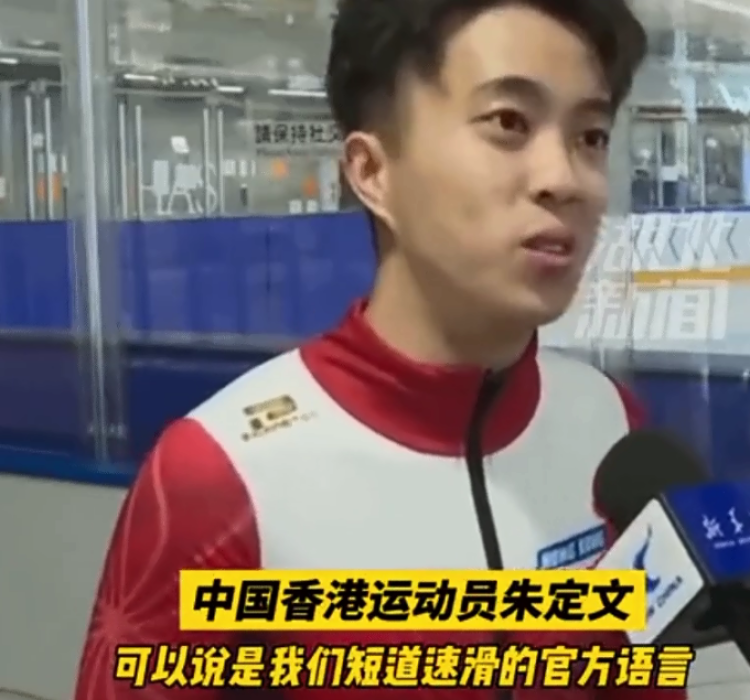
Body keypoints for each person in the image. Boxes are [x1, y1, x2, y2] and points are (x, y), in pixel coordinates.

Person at [74, 0, 686, 698]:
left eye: (592, 136)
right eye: (509, 123)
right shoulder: (221, 480)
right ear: (372, 171)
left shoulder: (612, 430)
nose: (565, 179)